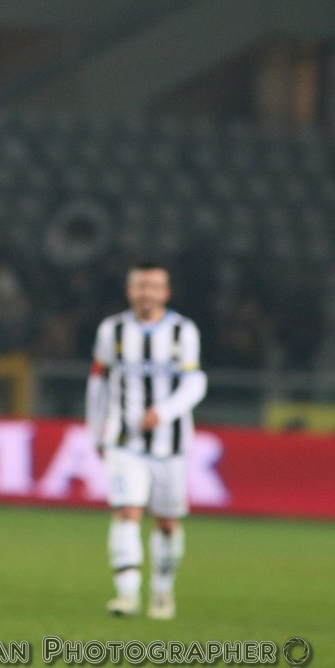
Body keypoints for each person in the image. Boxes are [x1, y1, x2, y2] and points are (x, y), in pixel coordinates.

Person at [86, 263, 206, 620]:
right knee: (127, 511)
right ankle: (126, 595)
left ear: (165, 292)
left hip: (171, 444)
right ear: (130, 290)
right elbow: (99, 382)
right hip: (125, 441)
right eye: (140, 286)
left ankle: (162, 591)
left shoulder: (183, 331)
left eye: (153, 286)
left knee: (167, 522)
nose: (146, 293)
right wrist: (96, 430)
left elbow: (195, 382)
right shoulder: (112, 330)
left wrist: (164, 412)